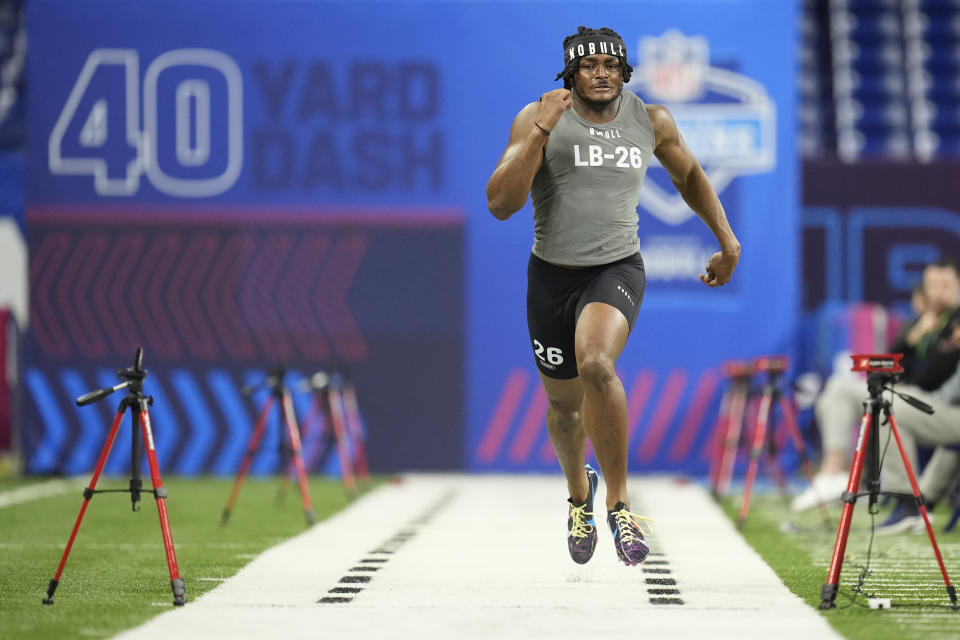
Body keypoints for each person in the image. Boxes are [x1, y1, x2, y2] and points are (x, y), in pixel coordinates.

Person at [485, 26, 740, 565]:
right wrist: (539, 131)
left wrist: (727, 241)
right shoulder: (537, 115)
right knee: (563, 409)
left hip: (616, 268)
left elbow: (690, 174)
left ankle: (620, 505)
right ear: (569, 74)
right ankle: (581, 494)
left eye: (610, 64)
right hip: (550, 277)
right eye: (587, 64)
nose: (599, 72)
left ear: (624, 71)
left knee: (598, 364)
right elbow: (500, 204)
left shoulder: (651, 120)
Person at [792, 258, 960, 511]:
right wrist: (914, 338)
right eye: (932, 286)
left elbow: (937, 372)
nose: (937, 292)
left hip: (930, 400)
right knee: (838, 387)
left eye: (944, 285)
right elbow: (892, 361)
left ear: (957, 285)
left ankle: (904, 502)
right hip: (912, 394)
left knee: (885, 404)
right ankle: (834, 469)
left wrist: (904, 383)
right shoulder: (922, 320)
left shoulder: (955, 320)